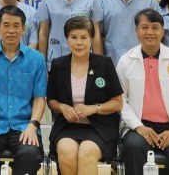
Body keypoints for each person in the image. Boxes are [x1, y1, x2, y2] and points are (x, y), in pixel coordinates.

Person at [117, 8, 169, 175]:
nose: (150, 32)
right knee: (134, 148)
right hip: (139, 127)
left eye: (155, 27)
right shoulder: (126, 61)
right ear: (136, 31)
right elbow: (120, 100)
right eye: (144, 27)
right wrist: (138, 126)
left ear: (163, 31)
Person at [0, 5, 47, 175]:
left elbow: (39, 99)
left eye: (16, 26)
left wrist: (32, 126)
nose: (11, 30)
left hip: (24, 126)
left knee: (29, 154)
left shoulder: (36, 59)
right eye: (6, 25)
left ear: (23, 29)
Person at [47, 16, 123, 175]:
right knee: (66, 150)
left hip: (100, 128)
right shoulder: (58, 65)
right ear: (67, 39)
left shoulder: (104, 63)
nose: (79, 43)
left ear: (91, 39)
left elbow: (117, 103)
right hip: (67, 127)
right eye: (73, 37)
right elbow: (51, 100)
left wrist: (93, 109)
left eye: (84, 38)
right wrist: (62, 107)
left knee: (86, 152)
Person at [37, 0, 96, 71]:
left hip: (83, 57)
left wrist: (99, 63)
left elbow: (96, 34)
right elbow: (43, 33)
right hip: (55, 58)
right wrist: (41, 62)